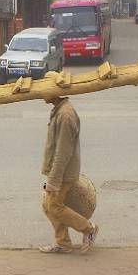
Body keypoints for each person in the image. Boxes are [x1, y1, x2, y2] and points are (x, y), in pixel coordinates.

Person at [39, 73, 99, 254]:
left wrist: (54, 181)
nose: (41, 93)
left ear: (55, 91)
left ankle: (89, 229)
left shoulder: (65, 115)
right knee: (49, 206)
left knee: (54, 206)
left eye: (44, 88)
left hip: (63, 173)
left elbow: (63, 152)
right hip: (58, 172)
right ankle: (63, 243)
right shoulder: (59, 109)